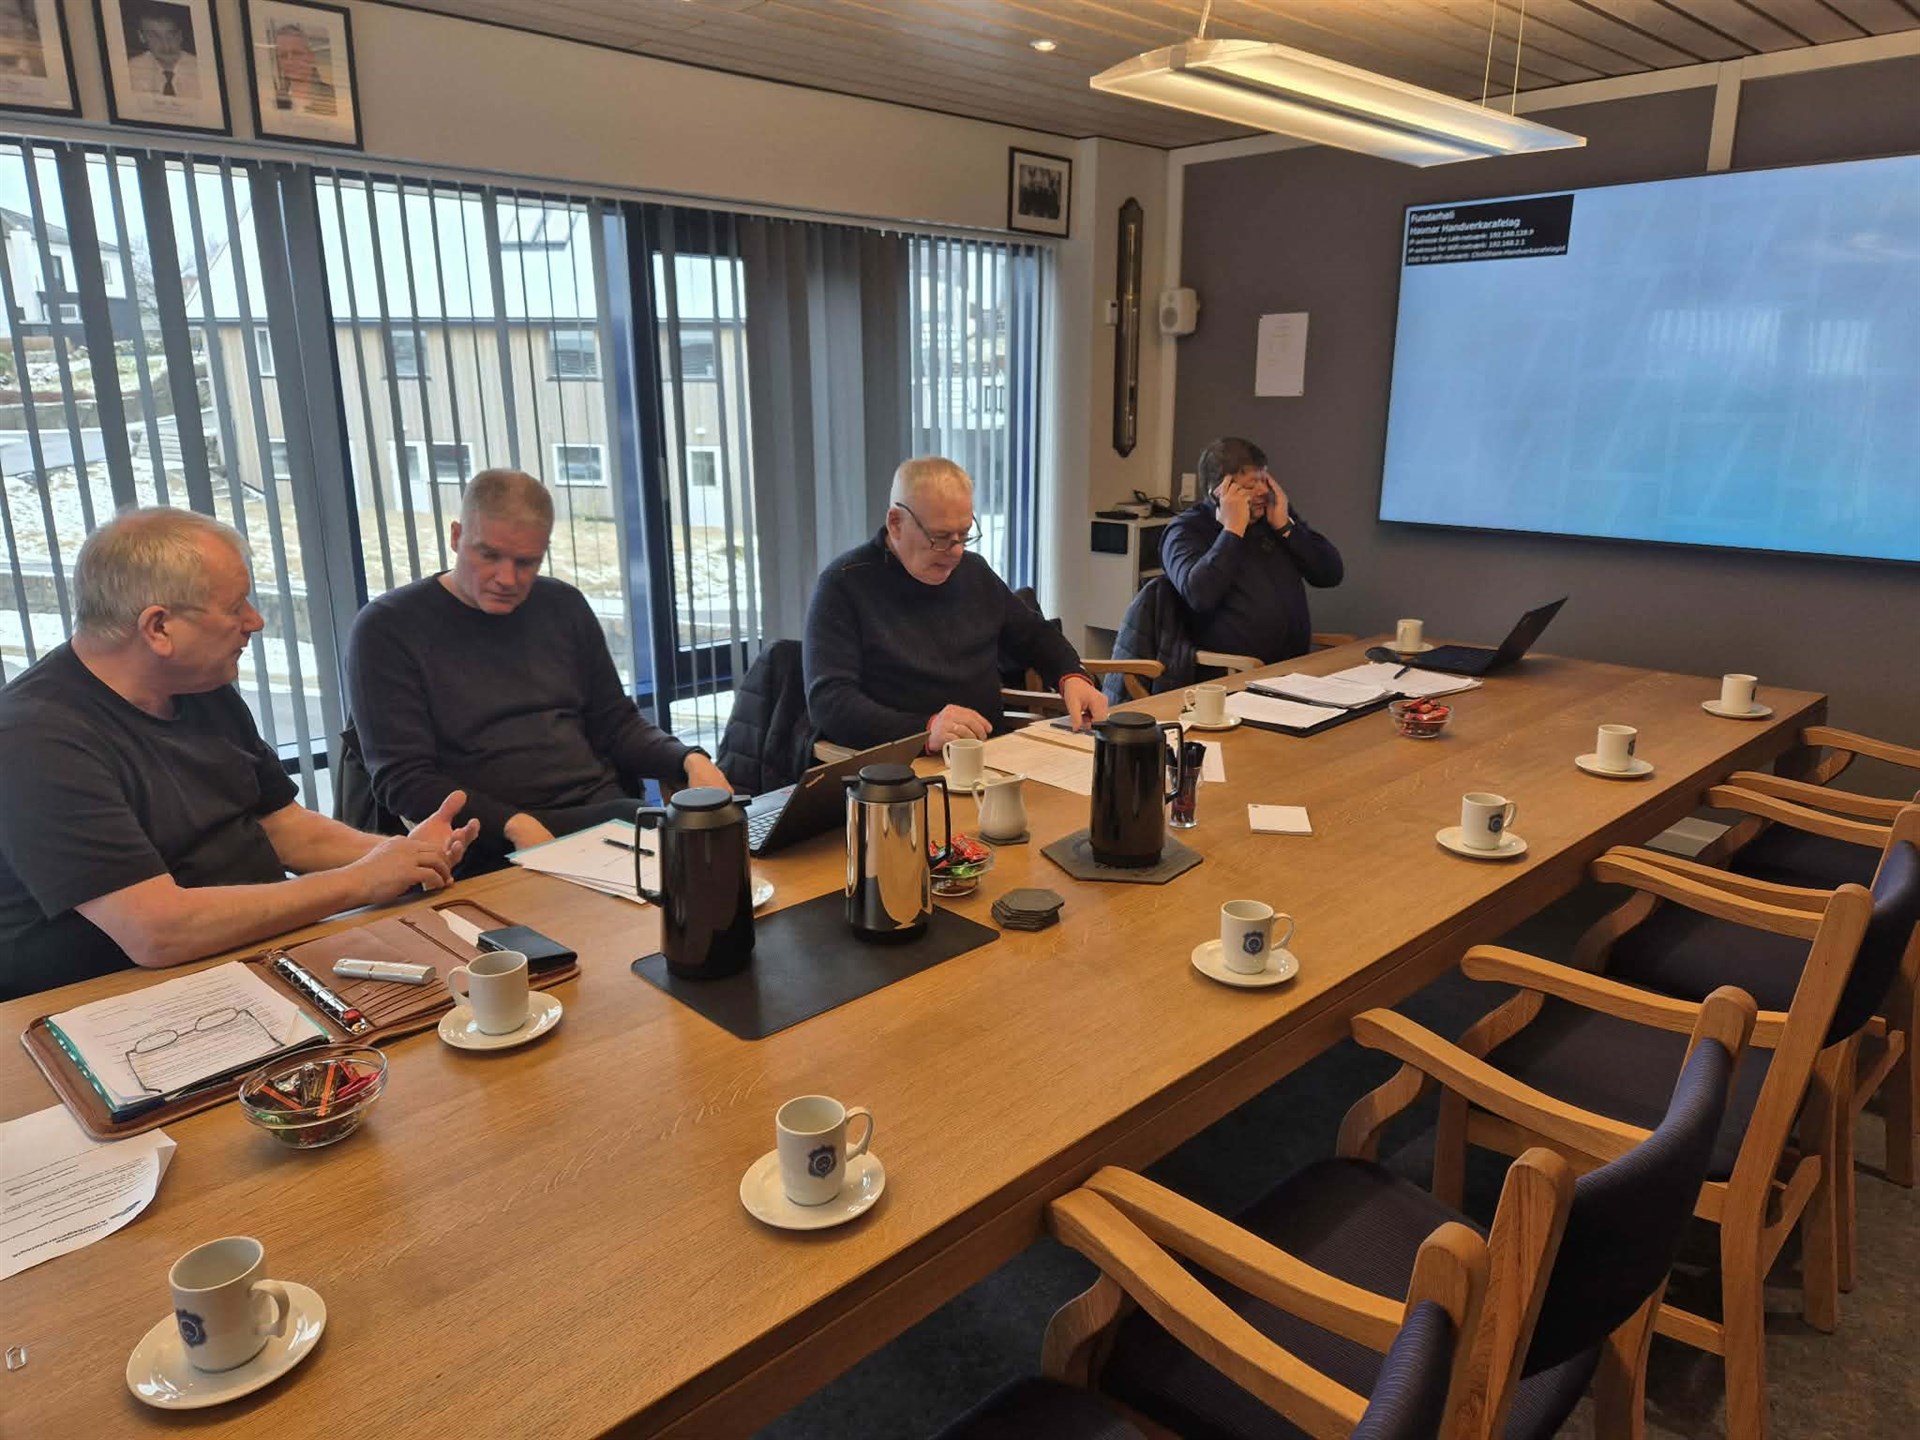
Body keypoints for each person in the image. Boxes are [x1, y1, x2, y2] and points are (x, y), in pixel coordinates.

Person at [0, 508, 478, 1001]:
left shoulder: (199, 685)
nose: (255, 620)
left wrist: (407, 858)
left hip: (253, 956)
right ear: (158, 627)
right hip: (107, 998)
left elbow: (283, 827)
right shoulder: (36, 739)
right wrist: (361, 881)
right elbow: (156, 931)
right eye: (235, 608)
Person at [345, 469, 730, 869]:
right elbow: (404, 779)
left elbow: (616, 723)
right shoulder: (389, 628)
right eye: (488, 555)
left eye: (526, 562)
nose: (506, 578)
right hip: (488, 838)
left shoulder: (563, 606)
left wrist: (687, 759)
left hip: (602, 818)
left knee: (715, 872)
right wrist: (512, 824)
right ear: (456, 536)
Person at [804, 456, 1107, 752]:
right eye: (940, 537)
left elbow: (1035, 636)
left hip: (988, 754)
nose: (957, 551)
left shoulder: (974, 572)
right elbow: (830, 702)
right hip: (901, 764)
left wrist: (1071, 676)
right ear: (896, 523)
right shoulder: (844, 584)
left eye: (964, 534)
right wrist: (924, 730)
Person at [1160, 437, 1344, 664]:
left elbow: (1330, 574)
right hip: (1229, 672)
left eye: (1264, 481)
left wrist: (1286, 528)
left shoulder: (1272, 518)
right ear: (1218, 492)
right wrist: (1233, 530)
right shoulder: (1185, 530)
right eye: (1249, 486)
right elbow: (1199, 596)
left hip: (1290, 667)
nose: (1263, 492)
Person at [125, 4, 199, 100]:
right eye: (155, 36)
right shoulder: (132, 70)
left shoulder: (199, 69)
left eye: (171, 35)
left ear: (180, 36)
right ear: (142, 37)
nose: (166, 45)